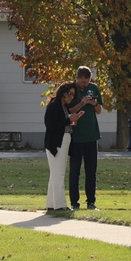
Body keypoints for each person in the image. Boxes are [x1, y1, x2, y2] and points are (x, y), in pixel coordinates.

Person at [44, 81, 83, 211]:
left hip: (63, 139)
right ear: (63, 93)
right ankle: (60, 205)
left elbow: (61, 123)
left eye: (73, 94)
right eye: (70, 94)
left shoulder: (63, 107)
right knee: (58, 174)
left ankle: (51, 204)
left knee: (55, 174)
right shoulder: (54, 106)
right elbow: (51, 125)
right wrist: (69, 120)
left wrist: (72, 120)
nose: (71, 97)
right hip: (56, 143)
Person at [67, 66, 102, 210]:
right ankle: (74, 202)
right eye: (82, 82)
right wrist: (82, 103)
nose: (85, 85)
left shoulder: (93, 88)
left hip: (91, 135)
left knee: (91, 171)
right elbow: (68, 111)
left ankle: (91, 202)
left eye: (87, 82)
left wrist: (94, 103)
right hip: (76, 137)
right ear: (77, 78)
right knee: (74, 171)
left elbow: (99, 110)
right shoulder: (70, 90)